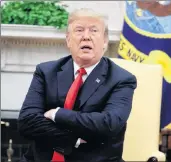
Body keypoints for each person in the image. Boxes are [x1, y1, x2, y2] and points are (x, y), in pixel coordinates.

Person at [18, 8, 137, 162]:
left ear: (105, 42)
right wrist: (71, 139)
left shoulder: (122, 79)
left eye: (94, 31)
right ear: (68, 40)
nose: (86, 37)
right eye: (79, 30)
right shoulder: (46, 71)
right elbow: (27, 122)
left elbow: (109, 124)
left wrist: (57, 114)